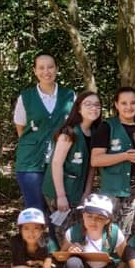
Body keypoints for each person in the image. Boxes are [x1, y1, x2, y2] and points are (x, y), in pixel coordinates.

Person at [91, 87, 135, 236]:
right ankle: (116, 259)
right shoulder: (107, 126)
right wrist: (125, 156)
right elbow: (96, 160)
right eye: (124, 103)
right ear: (116, 105)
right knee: (118, 233)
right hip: (117, 190)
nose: (129, 107)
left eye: (132, 103)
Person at [13, 52, 75, 211]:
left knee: (58, 212)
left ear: (56, 69)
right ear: (34, 71)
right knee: (35, 211)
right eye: (41, 68)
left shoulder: (69, 95)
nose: (46, 71)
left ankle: (55, 238)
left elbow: (75, 125)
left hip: (60, 162)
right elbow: (21, 128)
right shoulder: (26, 97)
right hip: (30, 163)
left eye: (50, 67)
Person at [43, 90, 102, 218]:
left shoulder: (96, 133)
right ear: (79, 109)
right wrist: (61, 196)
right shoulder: (68, 133)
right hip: (60, 192)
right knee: (64, 232)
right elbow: (56, 163)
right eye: (88, 104)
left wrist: (87, 192)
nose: (93, 108)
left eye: (97, 105)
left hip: (79, 191)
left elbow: (93, 165)